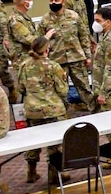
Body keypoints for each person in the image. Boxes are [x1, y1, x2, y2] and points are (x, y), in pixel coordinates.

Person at [13, 35, 69, 185]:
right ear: (47, 50)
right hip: (53, 110)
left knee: (33, 141)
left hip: (32, 110)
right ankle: (54, 174)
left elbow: (20, 88)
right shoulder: (53, 66)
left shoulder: (24, 65)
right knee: (55, 144)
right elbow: (63, 91)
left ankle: (31, 171)